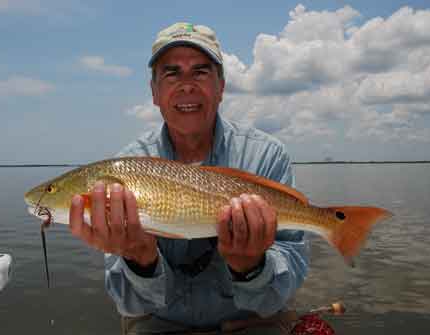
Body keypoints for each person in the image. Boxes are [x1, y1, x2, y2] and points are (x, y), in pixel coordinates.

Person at [69, 22, 309, 334]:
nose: (186, 85)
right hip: (160, 323)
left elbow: (283, 290)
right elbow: (130, 304)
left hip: (252, 321)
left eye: (200, 72)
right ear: (154, 92)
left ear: (221, 87)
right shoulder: (125, 170)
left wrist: (252, 268)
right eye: (171, 73)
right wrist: (139, 259)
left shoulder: (266, 155)